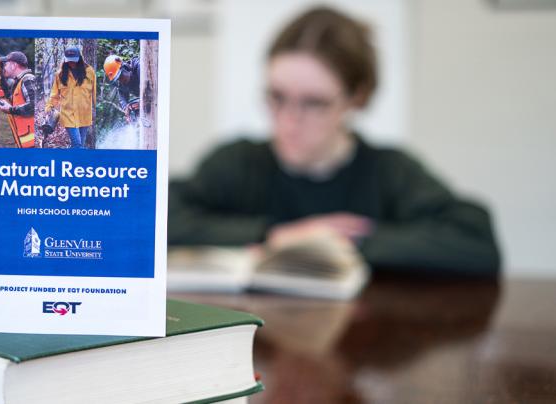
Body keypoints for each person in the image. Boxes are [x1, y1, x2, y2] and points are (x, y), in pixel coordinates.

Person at [168, 7, 501, 277]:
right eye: (277, 97)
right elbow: (156, 216)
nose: (288, 119)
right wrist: (274, 237)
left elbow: (475, 241)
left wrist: (338, 242)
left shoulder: (389, 171)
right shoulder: (237, 162)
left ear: (355, 98)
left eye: (313, 103)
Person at [45, 46, 96, 149]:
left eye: (74, 61)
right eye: (69, 61)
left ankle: (71, 162)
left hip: (84, 114)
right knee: (77, 144)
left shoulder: (89, 72)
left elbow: (94, 92)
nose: (72, 63)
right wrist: (49, 107)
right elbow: (54, 94)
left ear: (79, 58)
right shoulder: (59, 74)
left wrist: (96, 108)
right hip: (68, 115)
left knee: (79, 145)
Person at [0, 51, 35, 148]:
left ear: (13, 65)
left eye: (6, 64)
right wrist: (0, 75)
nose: (4, 67)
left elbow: (33, 106)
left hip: (32, 142)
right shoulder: (18, 82)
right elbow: (10, 97)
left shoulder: (27, 79)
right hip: (26, 139)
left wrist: (10, 109)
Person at [103, 54, 140, 122]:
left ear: (125, 67)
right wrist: (127, 109)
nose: (121, 80)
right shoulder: (121, 84)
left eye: (121, 76)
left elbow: (153, 89)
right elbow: (123, 100)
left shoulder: (139, 67)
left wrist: (142, 102)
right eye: (118, 79)